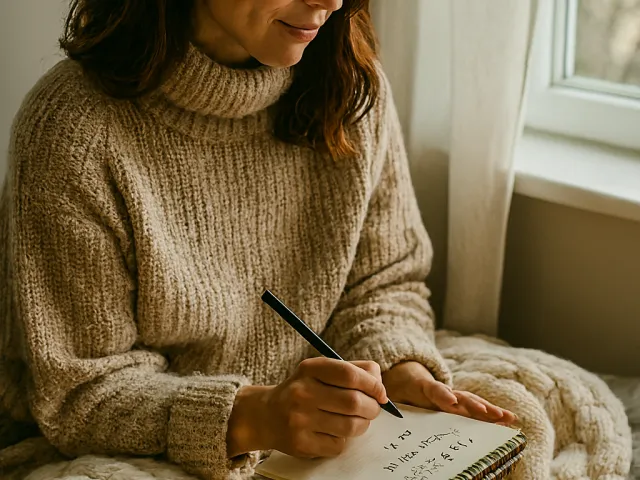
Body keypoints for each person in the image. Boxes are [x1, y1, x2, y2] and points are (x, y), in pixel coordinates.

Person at [0, 0, 517, 478]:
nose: (330, 2)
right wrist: (255, 417)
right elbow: (81, 392)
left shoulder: (350, 84)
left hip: (327, 435)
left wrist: (397, 369)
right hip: (135, 447)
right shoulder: (73, 129)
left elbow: (383, 284)